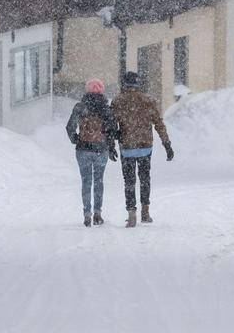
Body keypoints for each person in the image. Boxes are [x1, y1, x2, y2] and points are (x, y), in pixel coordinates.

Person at [112, 71, 174, 227]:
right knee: (145, 179)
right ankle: (145, 212)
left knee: (129, 181)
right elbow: (158, 123)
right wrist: (167, 144)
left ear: (124, 83)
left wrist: (111, 143)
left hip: (127, 146)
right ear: (138, 83)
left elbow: (111, 125)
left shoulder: (118, 101)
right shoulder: (148, 100)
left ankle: (131, 212)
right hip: (145, 146)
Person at [65, 78, 118, 227]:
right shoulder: (106, 108)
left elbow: (70, 127)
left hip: (83, 149)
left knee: (86, 181)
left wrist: (76, 139)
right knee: (99, 181)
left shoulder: (80, 107)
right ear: (102, 91)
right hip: (101, 150)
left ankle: (87, 214)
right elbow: (112, 131)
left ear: (87, 90)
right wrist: (111, 147)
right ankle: (98, 213)